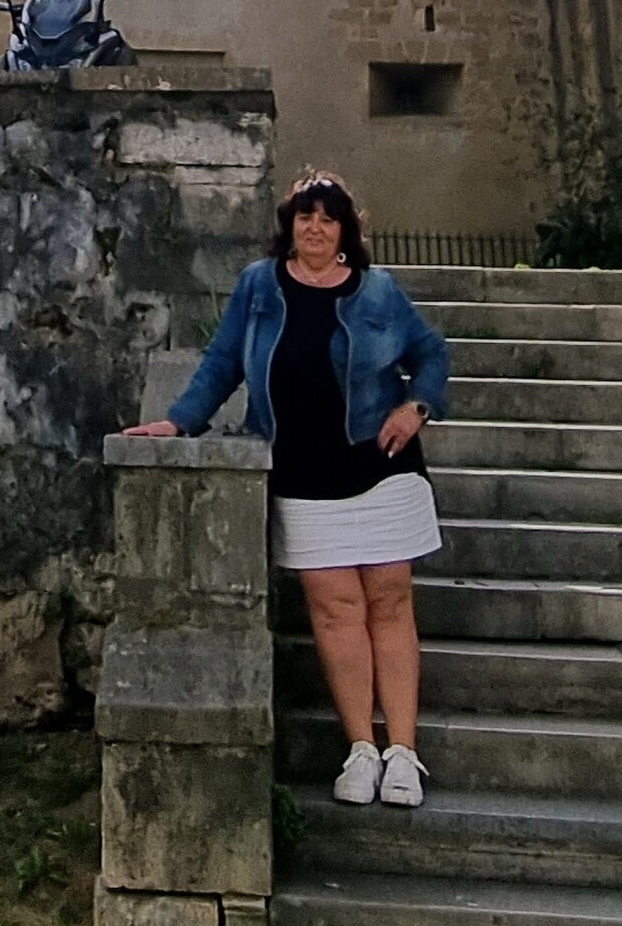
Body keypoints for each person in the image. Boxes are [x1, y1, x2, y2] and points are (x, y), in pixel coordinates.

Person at [123, 168, 449, 809]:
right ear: (289, 226)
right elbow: (222, 363)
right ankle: (361, 748)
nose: (316, 228)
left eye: (329, 218)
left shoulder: (378, 290)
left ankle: (403, 754)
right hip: (302, 473)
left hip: (381, 466)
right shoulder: (259, 286)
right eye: (305, 216)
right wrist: (179, 420)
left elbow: (431, 353)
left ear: (346, 231)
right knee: (334, 609)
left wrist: (417, 407)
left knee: (389, 602)